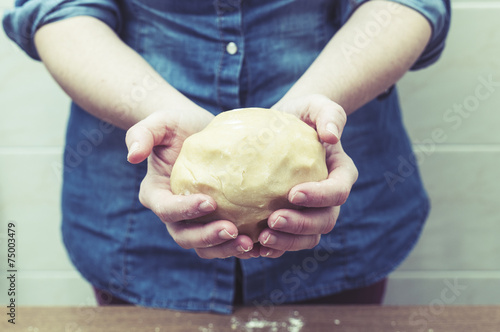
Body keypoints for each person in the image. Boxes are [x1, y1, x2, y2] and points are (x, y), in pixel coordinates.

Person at [3, 0, 451, 313]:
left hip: (341, 202)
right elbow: (59, 8)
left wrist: (317, 101)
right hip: (133, 219)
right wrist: (159, 112)